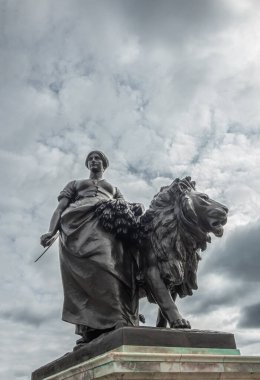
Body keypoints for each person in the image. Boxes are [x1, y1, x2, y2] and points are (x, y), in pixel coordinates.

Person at [40, 151, 140, 345]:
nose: (94, 161)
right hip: (76, 228)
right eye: (90, 159)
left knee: (108, 267)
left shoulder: (113, 188)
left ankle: (118, 316)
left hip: (104, 225)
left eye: (98, 158)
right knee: (84, 276)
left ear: (104, 164)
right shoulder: (75, 184)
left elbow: (125, 210)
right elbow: (60, 209)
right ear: (88, 164)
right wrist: (51, 231)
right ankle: (89, 328)